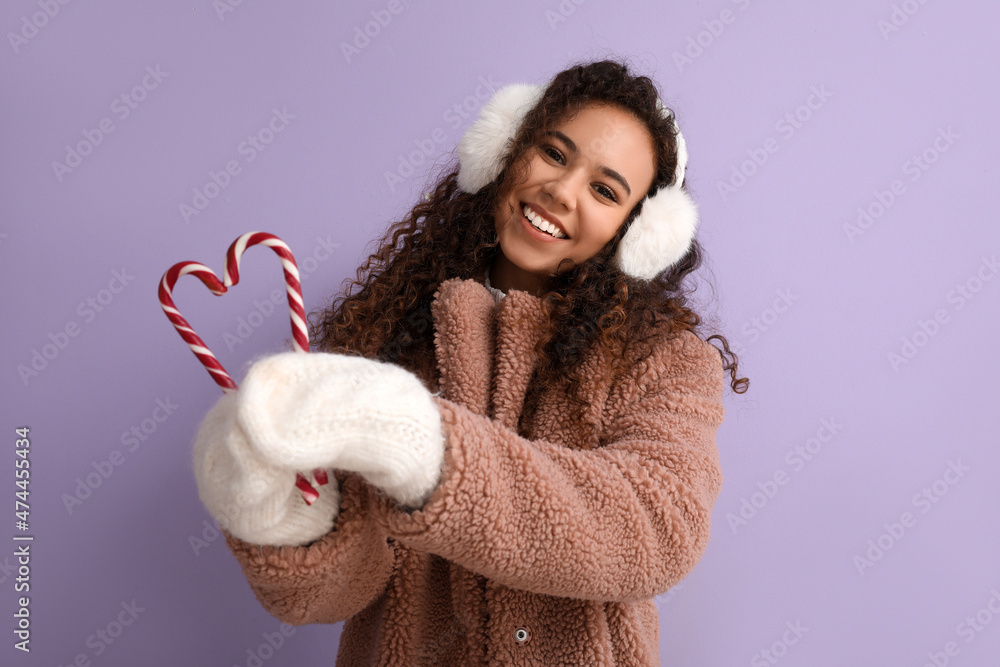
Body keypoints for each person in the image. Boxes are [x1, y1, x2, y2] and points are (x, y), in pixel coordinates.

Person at [192, 58, 748, 665]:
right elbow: (337, 592)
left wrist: (422, 442)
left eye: (605, 190)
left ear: (639, 234)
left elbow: (655, 528)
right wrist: (277, 512)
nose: (562, 191)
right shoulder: (390, 333)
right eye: (554, 154)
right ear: (503, 151)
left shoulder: (666, 360)